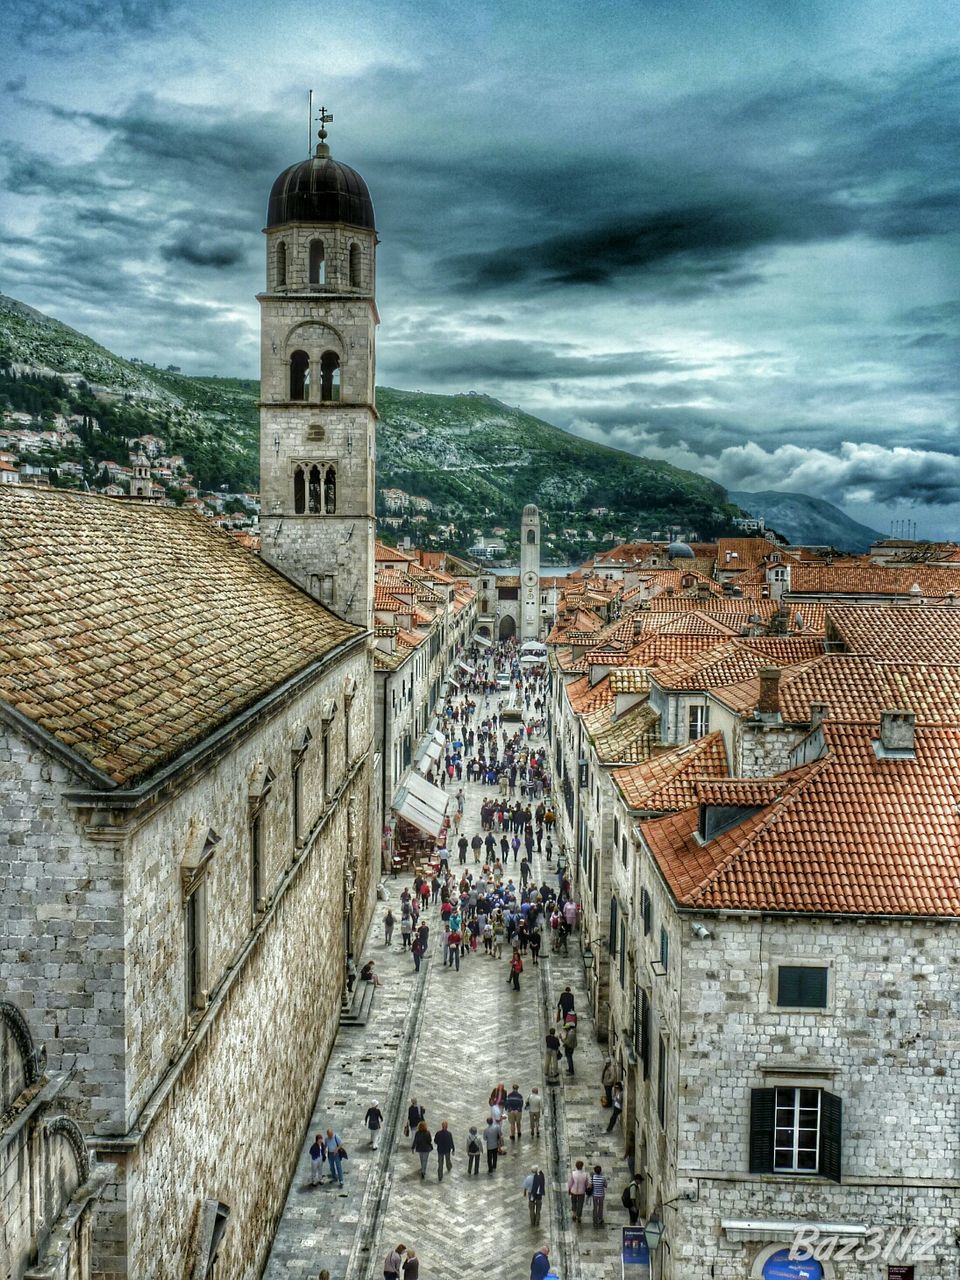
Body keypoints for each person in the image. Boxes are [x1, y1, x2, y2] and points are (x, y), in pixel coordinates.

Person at [567, 1159, 589, 1223]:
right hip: (581, 1191)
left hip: (573, 1191)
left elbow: (570, 1183)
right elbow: (587, 1184)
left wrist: (569, 1189)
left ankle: (574, 1214)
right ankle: (579, 1216)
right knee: (580, 1204)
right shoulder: (585, 1174)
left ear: (576, 1166)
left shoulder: (573, 1173)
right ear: (582, 1166)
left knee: (573, 1202)